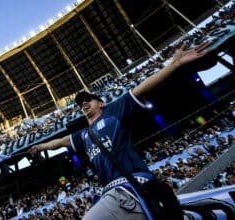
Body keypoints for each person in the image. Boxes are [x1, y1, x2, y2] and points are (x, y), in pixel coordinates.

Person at [29, 42, 215, 220]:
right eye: (80, 103)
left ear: (101, 103)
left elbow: (143, 87)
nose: (83, 103)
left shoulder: (114, 112)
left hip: (130, 185)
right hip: (112, 192)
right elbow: (58, 142)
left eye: (88, 99)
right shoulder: (82, 135)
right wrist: (41, 146)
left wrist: (173, 64)